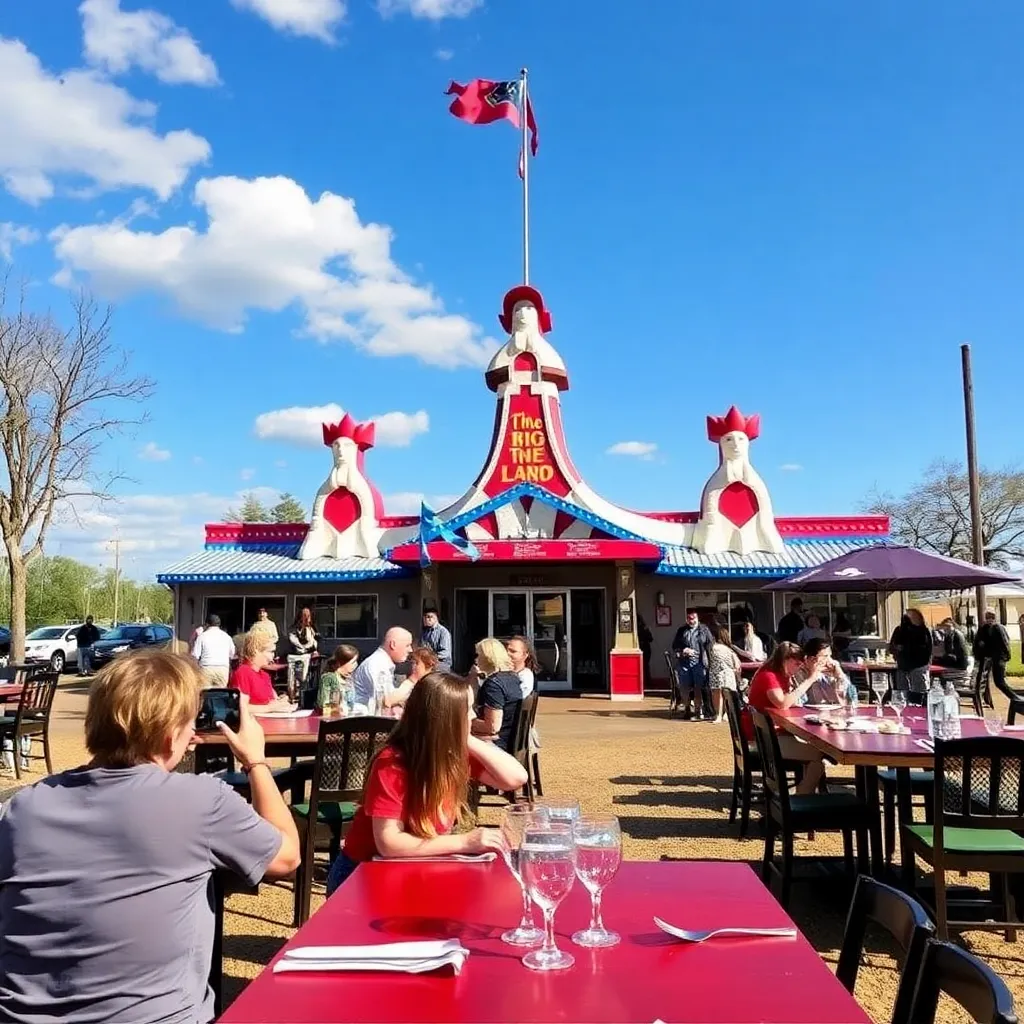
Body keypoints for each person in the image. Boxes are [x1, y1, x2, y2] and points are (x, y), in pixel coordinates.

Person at [0, 650, 301, 1023]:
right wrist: (255, 761)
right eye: (190, 722)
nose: (194, 733)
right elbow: (286, 858)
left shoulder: (24, 807)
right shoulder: (200, 801)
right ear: (170, 734)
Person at [326, 671, 526, 894]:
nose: (473, 716)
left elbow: (515, 778)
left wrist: (466, 738)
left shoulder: (451, 755)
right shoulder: (394, 763)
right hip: (362, 877)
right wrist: (466, 842)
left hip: (413, 868)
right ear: (446, 719)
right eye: (467, 709)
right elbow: (389, 843)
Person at [745, 641, 827, 795]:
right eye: (796, 664)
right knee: (818, 756)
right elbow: (782, 703)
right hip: (763, 740)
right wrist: (810, 679)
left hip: (767, 734)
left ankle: (801, 795)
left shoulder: (777, 674)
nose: (797, 669)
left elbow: (789, 701)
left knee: (815, 751)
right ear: (785, 660)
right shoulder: (769, 676)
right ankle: (801, 797)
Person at [470, 638, 523, 753]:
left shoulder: (493, 685)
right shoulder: (513, 678)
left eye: (478, 655)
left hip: (497, 744)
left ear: (488, 658)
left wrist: (467, 722)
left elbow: (492, 727)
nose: (476, 660)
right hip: (510, 739)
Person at [351, 627, 415, 713]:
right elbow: (385, 702)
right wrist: (413, 679)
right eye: (407, 645)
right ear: (393, 645)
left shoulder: (383, 663)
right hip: (365, 721)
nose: (410, 650)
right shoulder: (377, 664)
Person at [230, 631, 293, 710]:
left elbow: (273, 700)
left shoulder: (265, 675)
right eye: (271, 652)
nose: (273, 656)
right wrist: (270, 708)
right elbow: (241, 707)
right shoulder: (243, 672)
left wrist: (280, 702)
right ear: (256, 651)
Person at [671, 609, 714, 720]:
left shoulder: (704, 629)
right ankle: (687, 708)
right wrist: (684, 649)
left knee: (698, 687)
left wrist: (709, 658)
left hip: (699, 662)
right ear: (686, 619)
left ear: (697, 618)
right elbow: (675, 645)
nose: (692, 621)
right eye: (689, 619)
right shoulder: (682, 630)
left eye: (693, 618)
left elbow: (710, 643)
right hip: (685, 662)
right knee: (684, 686)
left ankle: (698, 710)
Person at [790, 637, 856, 706]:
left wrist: (840, 676)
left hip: (831, 714)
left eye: (830, 656)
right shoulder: (797, 673)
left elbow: (852, 699)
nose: (830, 661)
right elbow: (798, 702)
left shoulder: (830, 671)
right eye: (825, 656)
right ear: (811, 659)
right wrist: (811, 678)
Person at [889, 609, 933, 703]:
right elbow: (892, 646)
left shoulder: (923, 631)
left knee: (919, 694)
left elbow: (927, 649)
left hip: (918, 666)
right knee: (902, 695)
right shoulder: (900, 630)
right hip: (903, 666)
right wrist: (898, 649)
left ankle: (919, 710)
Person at [974, 610, 1015, 702]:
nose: (988, 619)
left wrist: (1006, 656)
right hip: (992, 657)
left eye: (989, 617)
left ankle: (1014, 697)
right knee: (995, 681)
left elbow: (1005, 642)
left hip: (998, 657)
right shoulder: (986, 628)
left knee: (999, 682)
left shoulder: (997, 628)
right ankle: (1013, 697)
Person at [191, 613, 236, 687]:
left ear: (207, 624)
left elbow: (195, 656)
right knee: (220, 694)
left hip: (206, 668)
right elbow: (233, 655)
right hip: (222, 669)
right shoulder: (227, 637)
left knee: (206, 694)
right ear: (219, 625)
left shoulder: (202, 636)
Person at [708, 627, 741, 723]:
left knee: (717, 694)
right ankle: (726, 714)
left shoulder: (714, 648)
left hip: (716, 674)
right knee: (727, 695)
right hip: (728, 674)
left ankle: (718, 715)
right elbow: (735, 664)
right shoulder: (729, 649)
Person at [316, 644, 360, 712]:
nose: (355, 665)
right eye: (353, 662)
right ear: (340, 663)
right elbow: (323, 705)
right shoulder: (329, 678)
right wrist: (338, 709)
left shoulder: (348, 679)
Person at [287, 607, 319, 696]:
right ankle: (292, 694)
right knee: (291, 678)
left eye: (308, 615)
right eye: (304, 615)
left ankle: (301, 695)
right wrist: (302, 646)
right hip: (293, 655)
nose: (306, 617)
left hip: (305, 656)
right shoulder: (294, 628)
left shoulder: (312, 629)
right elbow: (292, 640)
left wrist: (314, 649)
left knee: (303, 677)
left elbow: (314, 641)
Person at [638, 615, 654, 687]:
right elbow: (650, 639)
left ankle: (645, 682)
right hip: (646, 648)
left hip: (643, 648)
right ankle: (647, 683)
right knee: (646, 666)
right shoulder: (645, 628)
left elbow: (650, 639)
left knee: (644, 666)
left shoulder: (641, 629)